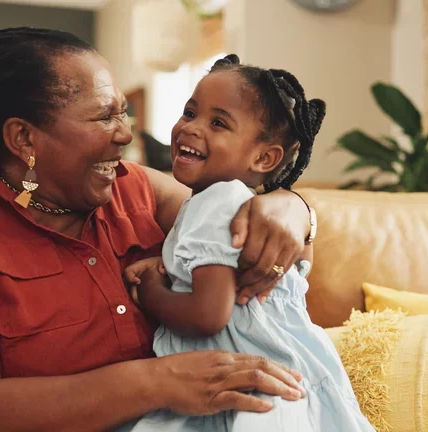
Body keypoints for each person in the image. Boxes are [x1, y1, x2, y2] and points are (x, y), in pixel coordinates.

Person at [0, 28, 315, 432]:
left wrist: (294, 209)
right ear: (24, 139)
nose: (126, 135)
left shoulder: (137, 188)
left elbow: (250, 229)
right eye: (105, 117)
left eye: (123, 113)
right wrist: (153, 382)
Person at [122, 55, 373, 432]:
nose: (190, 128)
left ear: (264, 157)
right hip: (294, 373)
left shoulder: (216, 202)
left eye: (218, 123)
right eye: (190, 113)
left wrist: (153, 291)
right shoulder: (232, 205)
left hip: (247, 384)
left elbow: (208, 315)